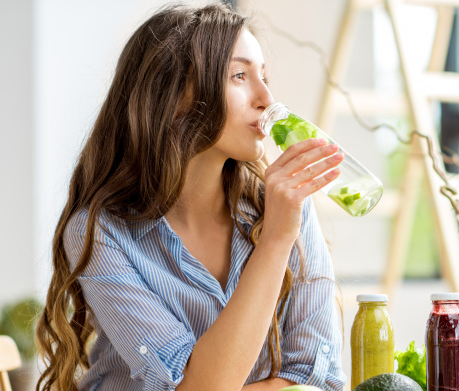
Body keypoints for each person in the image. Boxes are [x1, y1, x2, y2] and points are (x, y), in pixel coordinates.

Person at [35, 3, 346, 391]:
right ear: (175, 95)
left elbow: (319, 378)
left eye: (264, 76)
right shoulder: (100, 232)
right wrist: (276, 241)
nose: (267, 98)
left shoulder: (283, 205)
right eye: (239, 75)